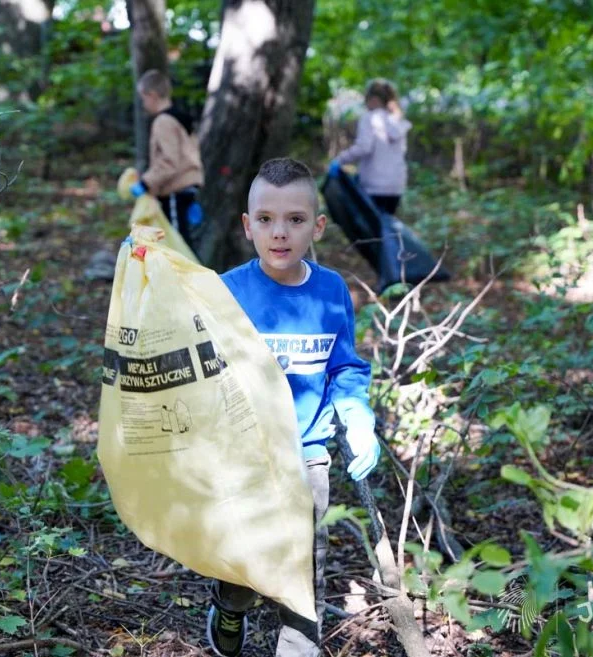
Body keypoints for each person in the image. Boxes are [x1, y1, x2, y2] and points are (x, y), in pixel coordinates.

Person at [208, 158, 381, 657]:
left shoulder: (331, 292)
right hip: (244, 456)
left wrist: (355, 411)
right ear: (247, 226)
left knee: (303, 579)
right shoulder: (228, 291)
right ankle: (229, 603)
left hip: (309, 456)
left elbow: (344, 365)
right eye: (265, 219)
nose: (279, 233)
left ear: (318, 227)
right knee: (245, 566)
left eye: (295, 220)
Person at [129, 69, 204, 249]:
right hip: (186, 190)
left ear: (152, 95)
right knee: (183, 241)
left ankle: (188, 278)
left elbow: (169, 161)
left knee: (178, 246)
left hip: (174, 192)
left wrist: (146, 183)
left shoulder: (163, 122)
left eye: (143, 98)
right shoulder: (180, 119)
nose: (144, 103)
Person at [329, 79, 411, 215]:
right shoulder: (397, 121)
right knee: (386, 226)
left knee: (371, 230)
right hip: (396, 186)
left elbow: (364, 147)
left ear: (373, 99)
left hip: (374, 186)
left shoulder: (370, 118)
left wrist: (339, 160)